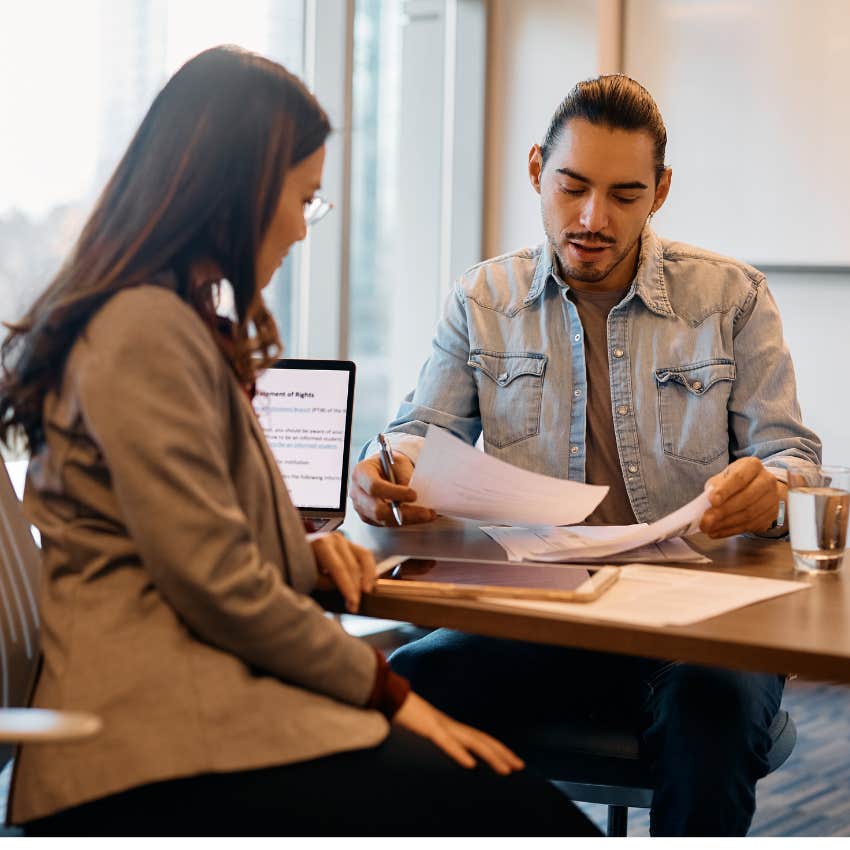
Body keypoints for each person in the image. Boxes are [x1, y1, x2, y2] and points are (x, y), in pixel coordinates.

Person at [0, 46, 599, 837]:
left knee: (507, 797)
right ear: (238, 191)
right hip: (149, 741)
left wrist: (304, 552)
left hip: (193, 712)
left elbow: (186, 535)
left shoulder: (165, 320)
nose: (302, 229)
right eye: (304, 199)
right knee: (520, 813)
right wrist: (390, 696)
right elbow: (216, 583)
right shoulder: (144, 330)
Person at [351, 75, 821, 836]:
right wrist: (387, 476)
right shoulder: (482, 299)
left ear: (661, 192)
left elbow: (792, 456)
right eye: (572, 187)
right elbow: (415, 434)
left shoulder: (732, 298)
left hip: (698, 620)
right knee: (404, 684)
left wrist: (770, 490)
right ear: (537, 170)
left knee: (713, 708)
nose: (594, 218)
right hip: (542, 612)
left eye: (626, 195)